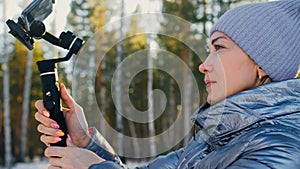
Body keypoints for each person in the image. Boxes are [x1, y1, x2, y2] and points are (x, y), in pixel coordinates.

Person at [35, 0, 300, 168]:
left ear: (263, 63)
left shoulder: (281, 147)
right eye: (208, 50)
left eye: (219, 47)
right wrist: (85, 142)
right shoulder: (213, 142)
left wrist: (92, 168)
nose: (203, 64)